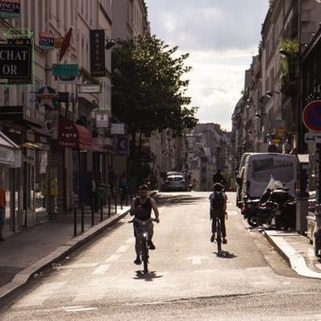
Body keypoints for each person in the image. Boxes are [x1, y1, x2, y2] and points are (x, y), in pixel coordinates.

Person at [130, 184, 160, 265]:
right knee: (137, 240)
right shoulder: (134, 201)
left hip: (147, 220)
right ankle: (137, 257)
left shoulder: (151, 200)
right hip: (138, 221)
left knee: (151, 228)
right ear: (139, 192)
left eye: (144, 192)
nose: (143, 193)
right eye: (141, 191)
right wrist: (136, 210)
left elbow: (155, 209)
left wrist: (157, 217)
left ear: (147, 192)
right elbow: (131, 213)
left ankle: (149, 241)